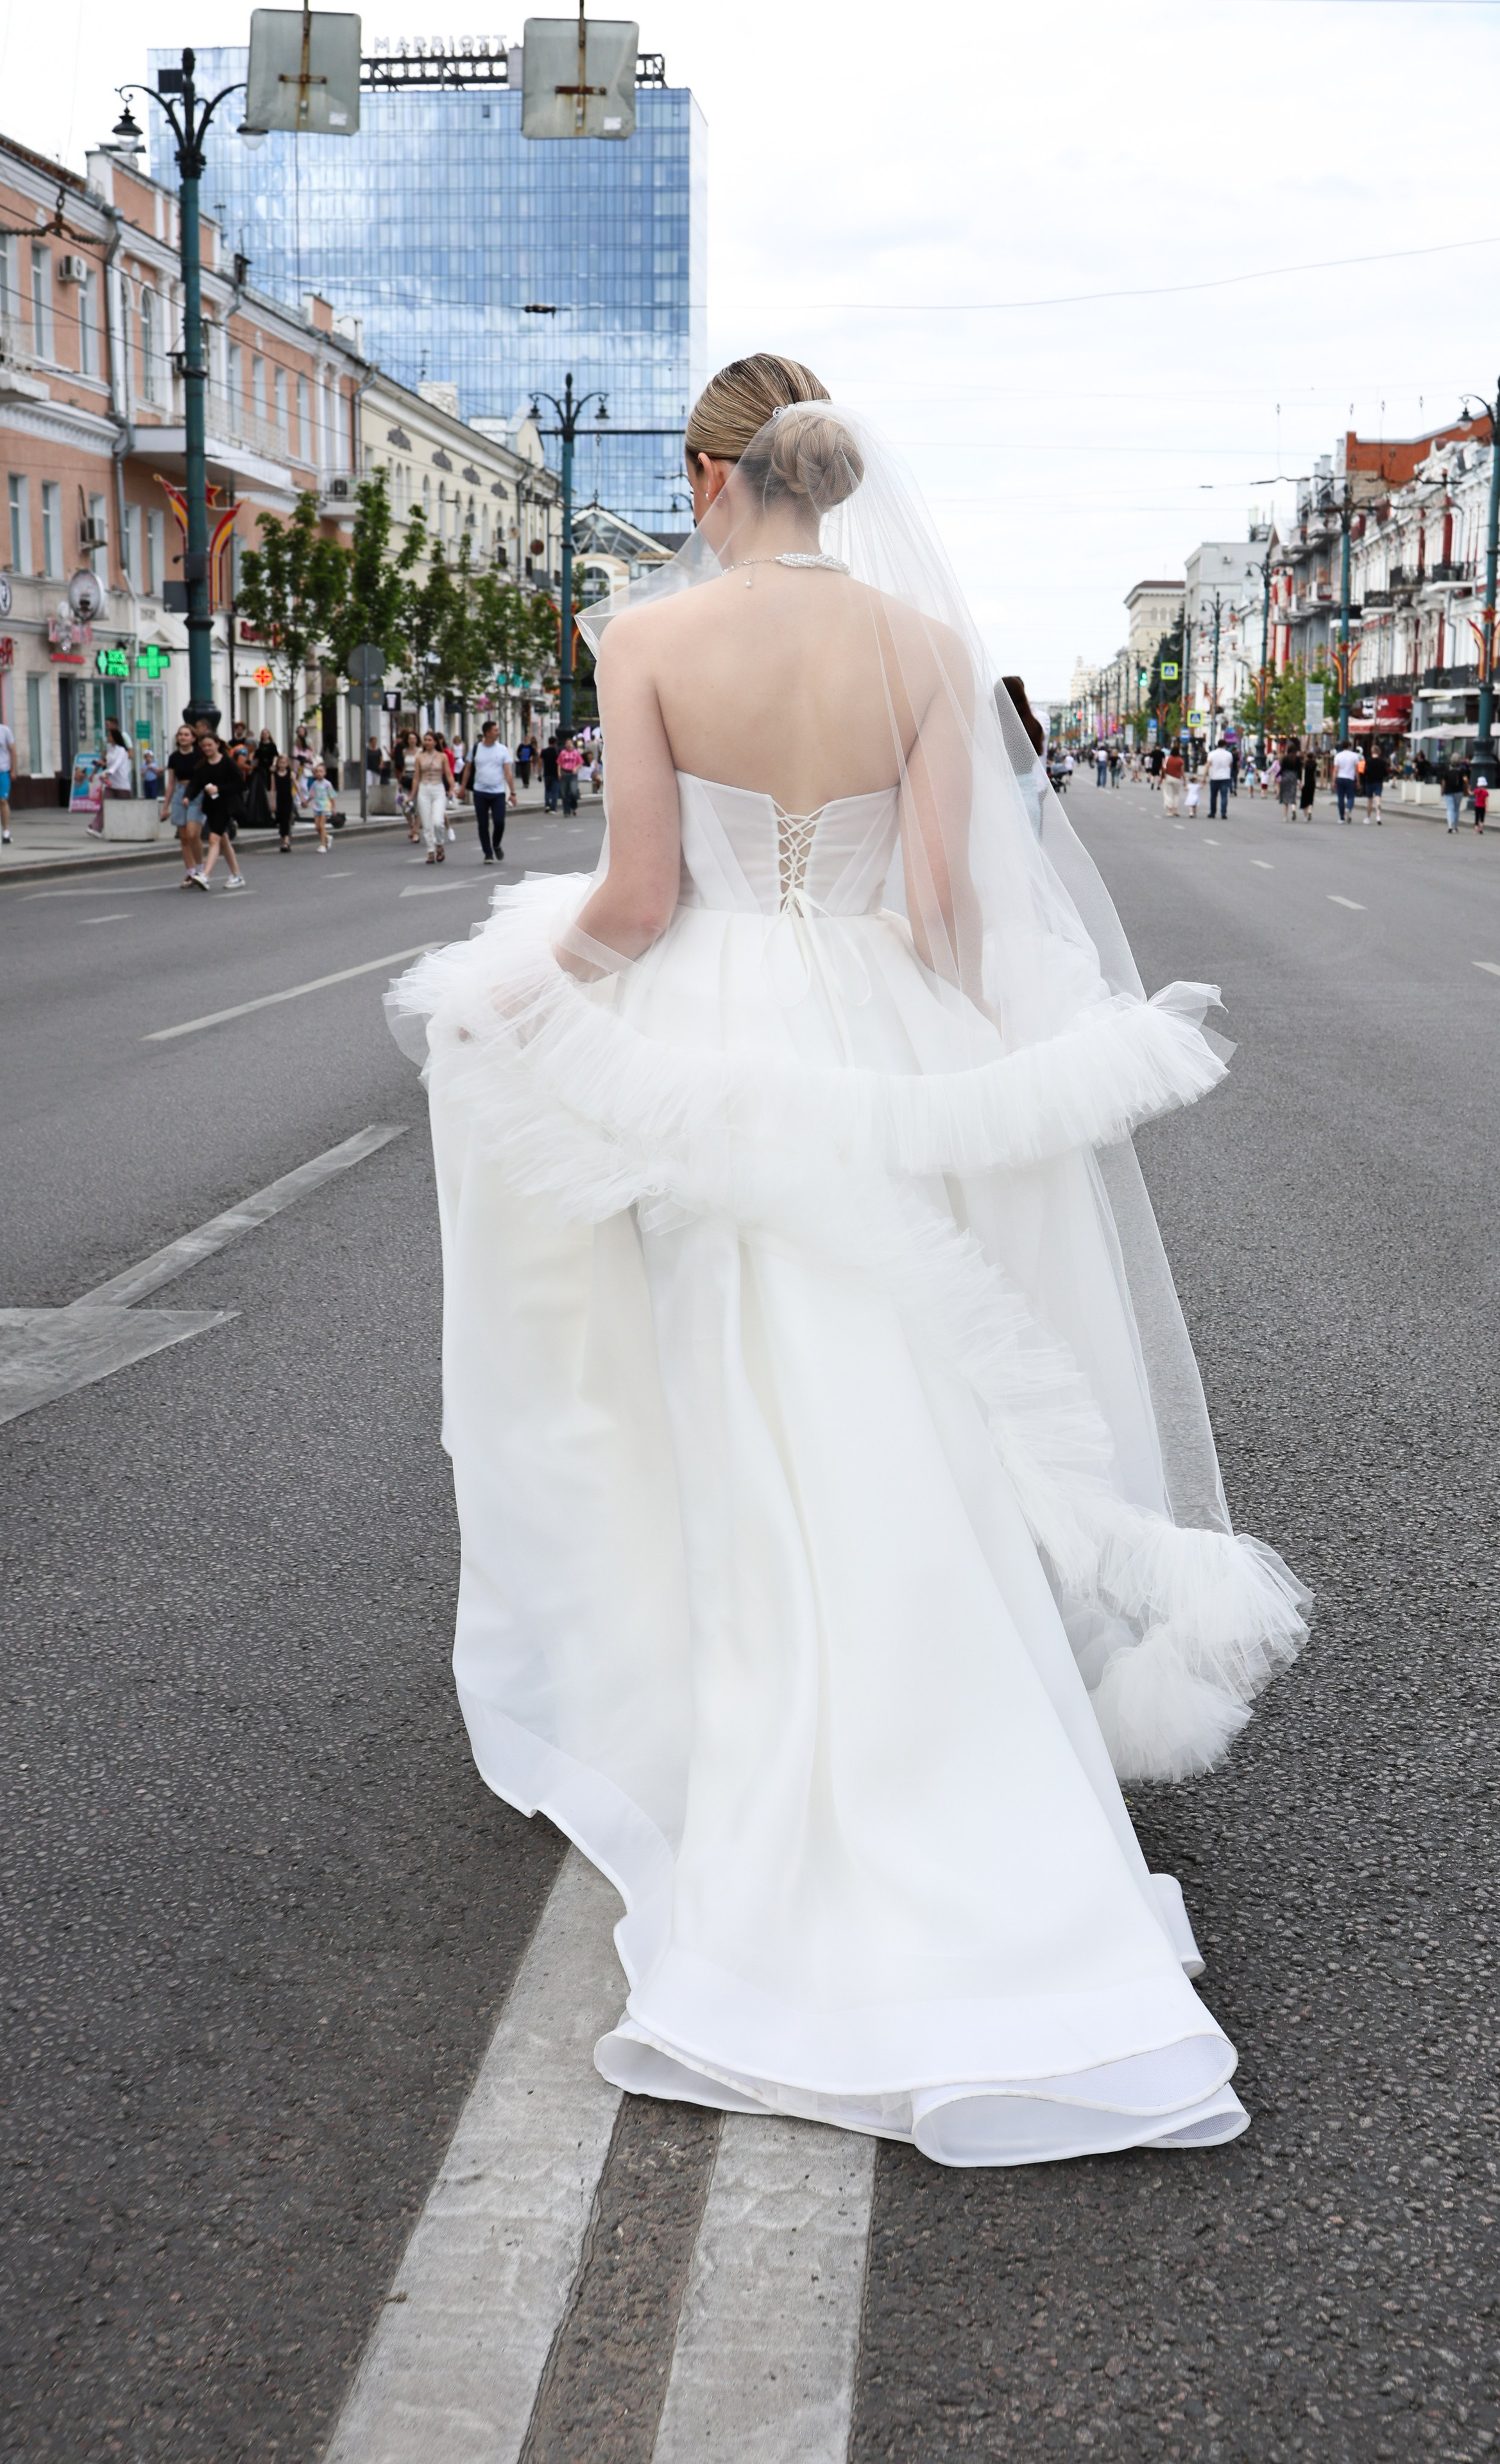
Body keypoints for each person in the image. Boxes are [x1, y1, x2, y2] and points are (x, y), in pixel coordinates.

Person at [388, 353, 1306, 2168]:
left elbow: (641, 901)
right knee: (911, 1378)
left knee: (744, 1386)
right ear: (838, 477)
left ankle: (783, 1727)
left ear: (711, 478)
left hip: (719, 1035)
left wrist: (501, 1001)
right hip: (885, 1030)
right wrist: (984, 1071)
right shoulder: (919, 647)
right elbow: (947, 908)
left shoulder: (645, 644)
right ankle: (956, 1730)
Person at [192, 732, 248, 886]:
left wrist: (219, 789)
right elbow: (197, 783)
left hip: (226, 805)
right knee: (223, 841)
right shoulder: (203, 764)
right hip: (211, 807)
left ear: (217, 744)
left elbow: (240, 784)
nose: (206, 748)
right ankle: (237, 875)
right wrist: (188, 797)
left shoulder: (227, 762)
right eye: (203, 746)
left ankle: (206, 875)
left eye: (209, 745)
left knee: (214, 839)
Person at [463, 719, 516, 863]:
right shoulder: (476, 749)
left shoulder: (502, 750)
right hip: (480, 792)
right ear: (487, 733)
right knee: (483, 824)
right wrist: (462, 788)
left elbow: (508, 773)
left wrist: (513, 793)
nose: (498, 733)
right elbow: (467, 769)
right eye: (495, 730)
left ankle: (496, 844)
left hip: (498, 793)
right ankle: (488, 853)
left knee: (499, 822)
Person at [166, 723, 206, 887]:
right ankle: (191, 872)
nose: (183, 737)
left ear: (193, 738)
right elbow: (171, 783)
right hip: (180, 794)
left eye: (186, 734)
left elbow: (205, 777)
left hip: (197, 793)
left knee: (192, 834)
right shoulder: (174, 757)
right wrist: (165, 807)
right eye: (180, 734)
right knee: (183, 837)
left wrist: (205, 799)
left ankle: (201, 869)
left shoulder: (200, 755)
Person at [412, 731, 450, 862]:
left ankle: (439, 844)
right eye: (425, 740)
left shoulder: (442, 756)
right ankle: (431, 851)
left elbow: (449, 774)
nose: (427, 742)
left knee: (438, 822)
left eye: (429, 740)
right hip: (424, 790)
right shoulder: (420, 757)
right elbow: (416, 778)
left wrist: (452, 788)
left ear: (435, 742)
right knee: (427, 824)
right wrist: (412, 795)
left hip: (438, 788)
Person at [307, 758, 336, 853]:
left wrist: (334, 808)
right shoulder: (314, 784)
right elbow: (311, 795)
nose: (319, 773)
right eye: (317, 772)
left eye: (321, 771)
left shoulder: (327, 784)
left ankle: (322, 845)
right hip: (317, 807)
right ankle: (327, 837)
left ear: (325, 773)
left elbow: (332, 796)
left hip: (325, 807)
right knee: (317, 827)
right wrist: (306, 802)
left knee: (322, 825)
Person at [1332, 740, 1361, 822]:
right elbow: (1356, 770)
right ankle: (1348, 808)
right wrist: (1358, 781)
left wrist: (1334, 781)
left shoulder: (1338, 756)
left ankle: (1341, 817)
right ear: (1349, 746)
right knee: (1351, 797)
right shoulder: (1355, 756)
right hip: (1350, 779)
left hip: (1340, 778)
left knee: (1340, 798)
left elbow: (1336, 770)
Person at [1204, 736, 1232, 820]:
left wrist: (1204, 777)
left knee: (1213, 796)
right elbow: (1230, 765)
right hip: (1225, 777)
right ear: (1225, 745)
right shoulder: (1229, 754)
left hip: (1214, 777)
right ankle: (1223, 813)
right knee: (1224, 796)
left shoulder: (1212, 754)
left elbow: (1208, 765)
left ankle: (1213, 813)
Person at [274, 751, 296, 851]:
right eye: (281, 763)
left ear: (288, 764)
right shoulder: (274, 775)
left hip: (288, 799)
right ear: (278, 764)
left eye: (284, 763)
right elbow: (272, 790)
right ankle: (285, 839)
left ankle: (286, 842)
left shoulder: (290, 774)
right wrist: (272, 802)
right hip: (279, 799)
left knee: (286, 819)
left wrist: (302, 799)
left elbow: (297, 786)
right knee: (280, 819)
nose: (282, 765)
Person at [557, 734, 584, 814]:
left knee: (573, 792)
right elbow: (559, 763)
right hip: (564, 773)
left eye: (570, 743)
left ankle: (574, 806)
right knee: (564, 793)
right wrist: (559, 772)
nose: (569, 745)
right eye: (567, 743)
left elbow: (581, 762)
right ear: (565, 745)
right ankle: (566, 811)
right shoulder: (563, 753)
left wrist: (576, 768)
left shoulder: (576, 753)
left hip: (573, 774)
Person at [1441, 753, 1467, 834]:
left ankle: (1450, 825)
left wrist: (1443, 790)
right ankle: (1455, 827)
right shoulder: (1462, 770)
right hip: (1459, 791)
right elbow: (1465, 780)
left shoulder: (1447, 769)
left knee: (1450, 809)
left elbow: (1444, 781)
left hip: (1448, 791)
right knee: (1456, 809)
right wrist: (1467, 789)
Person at [0, 708, 14, 843]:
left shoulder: (5, 731)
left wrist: (14, 770)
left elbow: (12, 750)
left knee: (3, 801)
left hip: (3, 771)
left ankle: (6, 831)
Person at [1277, 740, 1301, 818]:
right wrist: (1300, 780)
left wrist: (1277, 775)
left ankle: (1285, 817)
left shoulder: (1285, 759)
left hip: (1286, 777)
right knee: (1292, 794)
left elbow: (1282, 769)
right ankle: (1293, 809)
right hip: (1294, 777)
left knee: (1285, 796)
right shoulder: (1297, 759)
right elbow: (1299, 771)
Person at [1161, 741, 1184, 816]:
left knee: (1168, 794)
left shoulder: (1167, 759)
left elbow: (1163, 768)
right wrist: (1185, 781)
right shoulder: (1181, 760)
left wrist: (1161, 778)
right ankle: (1175, 809)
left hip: (1168, 778)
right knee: (1176, 794)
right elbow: (1182, 771)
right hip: (1177, 779)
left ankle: (1170, 811)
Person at [1299, 749, 1317, 819]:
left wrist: (1301, 783)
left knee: (1304, 800)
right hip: (1312, 783)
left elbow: (1302, 775)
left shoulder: (1305, 766)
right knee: (1310, 799)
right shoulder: (1315, 765)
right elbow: (1315, 775)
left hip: (1305, 783)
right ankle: (1310, 811)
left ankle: (1306, 816)